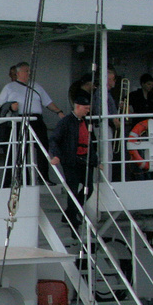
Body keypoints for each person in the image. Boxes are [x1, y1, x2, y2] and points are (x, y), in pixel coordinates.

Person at [0, 62, 63, 183]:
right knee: (21, 150)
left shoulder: (36, 86)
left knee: (43, 148)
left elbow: (47, 102)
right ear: (18, 73)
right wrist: (11, 107)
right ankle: (21, 179)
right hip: (21, 121)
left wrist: (59, 112)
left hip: (36, 120)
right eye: (26, 71)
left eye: (29, 71)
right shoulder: (9, 87)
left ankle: (43, 178)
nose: (29, 73)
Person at [49, 93, 95, 229]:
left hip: (85, 159)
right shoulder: (66, 121)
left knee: (89, 188)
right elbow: (54, 139)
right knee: (73, 189)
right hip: (71, 160)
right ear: (78, 107)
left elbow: (92, 142)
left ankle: (70, 212)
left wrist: (95, 160)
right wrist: (57, 155)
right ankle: (72, 217)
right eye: (86, 108)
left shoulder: (87, 121)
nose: (88, 110)